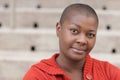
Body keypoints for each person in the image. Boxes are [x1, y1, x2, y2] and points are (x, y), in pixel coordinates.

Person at [23, 3, 120, 80]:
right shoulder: (38, 76)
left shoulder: (109, 73)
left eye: (90, 35)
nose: (82, 40)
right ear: (58, 29)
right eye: (74, 31)